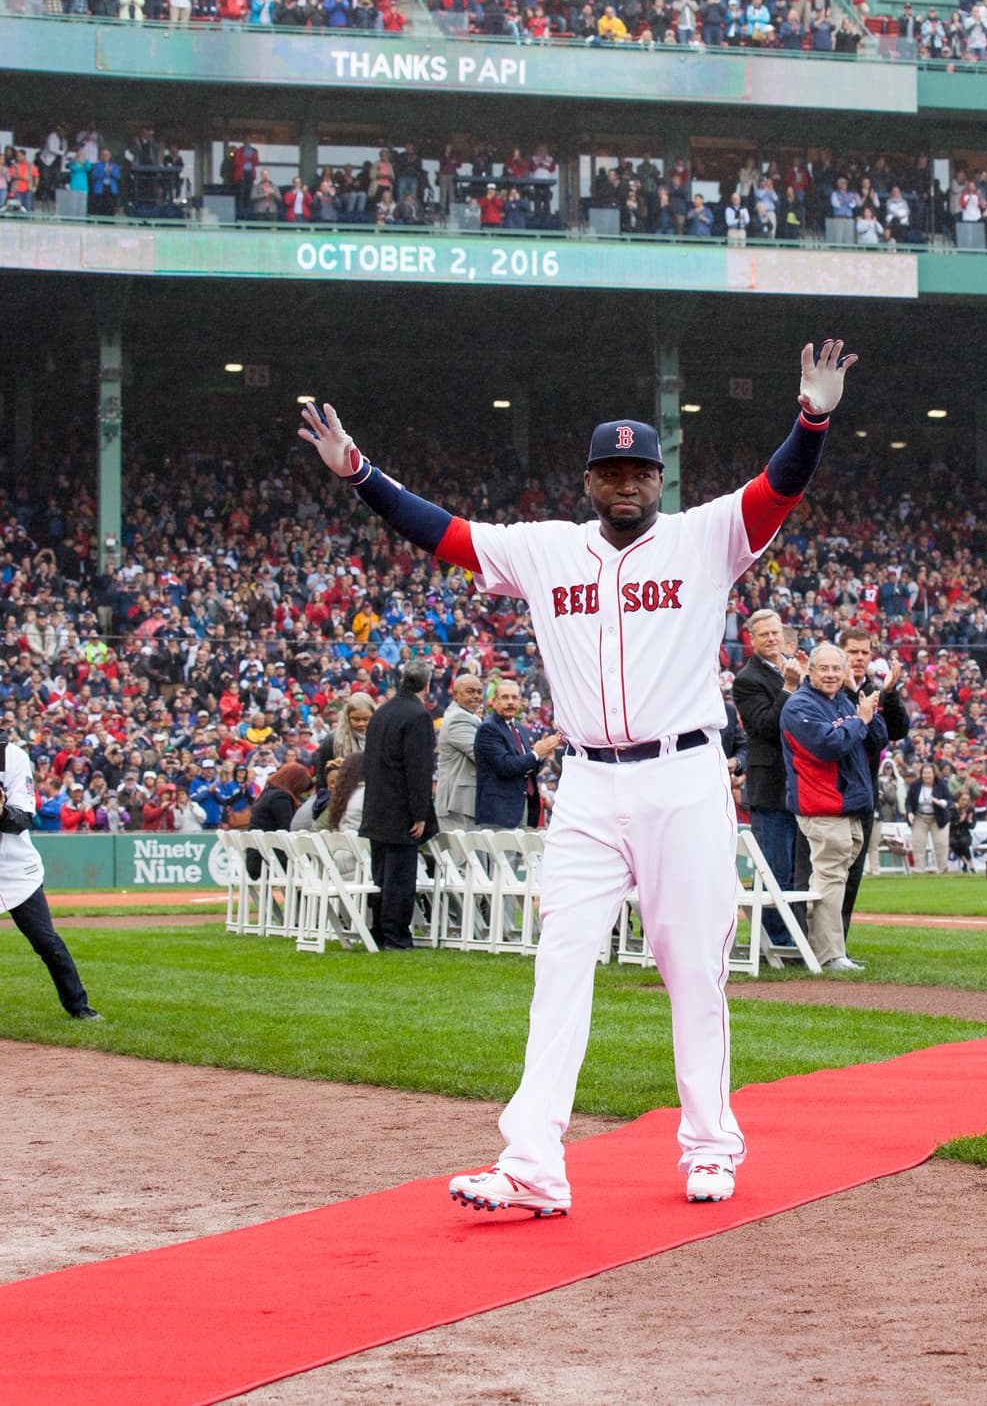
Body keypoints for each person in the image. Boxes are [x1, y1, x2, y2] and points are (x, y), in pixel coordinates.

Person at [298, 337, 856, 1215]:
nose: (626, 483)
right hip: (590, 783)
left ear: (659, 479)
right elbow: (441, 530)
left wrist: (812, 420)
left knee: (691, 967)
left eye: (640, 470)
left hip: (682, 777)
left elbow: (779, 486)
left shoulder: (707, 537)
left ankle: (710, 1145)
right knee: (559, 959)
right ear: (589, 480)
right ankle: (531, 1165)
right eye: (611, 471)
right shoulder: (545, 550)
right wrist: (358, 472)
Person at [779, 643, 886, 973]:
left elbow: (877, 739)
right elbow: (828, 746)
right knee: (829, 878)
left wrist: (859, 697)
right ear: (809, 671)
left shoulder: (843, 698)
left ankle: (831, 948)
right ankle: (829, 954)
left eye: (836, 669)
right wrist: (859, 720)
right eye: (823, 669)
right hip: (822, 805)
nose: (830, 674)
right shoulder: (798, 707)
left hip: (849, 804)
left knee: (835, 878)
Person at [0, 736, 99, 1019]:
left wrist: (2, 810)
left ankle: (78, 1006)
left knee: (47, 943)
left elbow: (21, 820)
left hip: (17, 869)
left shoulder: (11, 756)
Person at [732, 609, 807, 947]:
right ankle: (778, 940)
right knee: (775, 868)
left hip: (800, 784)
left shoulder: (791, 668)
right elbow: (764, 726)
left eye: (775, 633)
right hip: (771, 787)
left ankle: (796, 936)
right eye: (764, 634)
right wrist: (790, 687)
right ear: (752, 640)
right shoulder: (747, 679)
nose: (771, 639)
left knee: (798, 869)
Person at [358, 663, 436, 949]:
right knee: (400, 879)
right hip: (401, 809)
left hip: (377, 805)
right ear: (426, 686)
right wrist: (419, 813)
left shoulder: (382, 712)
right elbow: (418, 768)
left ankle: (379, 929)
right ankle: (396, 936)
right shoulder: (418, 715)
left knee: (380, 875)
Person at [838, 629, 909, 933]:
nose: (858, 658)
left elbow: (898, 731)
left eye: (864, 653)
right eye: (852, 651)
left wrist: (890, 695)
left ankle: (839, 941)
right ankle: (819, 944)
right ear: (840, 651)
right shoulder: (829, 687)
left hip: (865, 793)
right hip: (832, 794)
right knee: (830, 873)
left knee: (853, 874)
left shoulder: (873, 689)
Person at [474, 677, 561, 829]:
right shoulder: (488, 729)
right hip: (499, 812)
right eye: (505, 697)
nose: (510, 702)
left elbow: (527, 768)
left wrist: (542, 753)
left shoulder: (521, 730)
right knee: (500, 853)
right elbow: (506, 766)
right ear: (494, 701)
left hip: (523, 807)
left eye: (514, 697)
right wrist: (536, 754)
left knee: (521, 853)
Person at [435, 670, 484, 829]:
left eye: (479, 692)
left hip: (462, 803)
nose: (476, 696)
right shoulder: (459, 718)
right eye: (470, 691)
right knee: (466, 853)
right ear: (456, 694)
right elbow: (482, 756)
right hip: (457, 804)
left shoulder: (467, 716)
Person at [246, 763, 312, 878]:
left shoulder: (268, 793)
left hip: (259, 858)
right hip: (269, 860)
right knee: (312, 863)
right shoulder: (280, 798)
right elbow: (289, 830)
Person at [906, 762, 951, 872]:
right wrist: (910, 812)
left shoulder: (941, 784)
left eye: (929, 773)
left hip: (938, 817)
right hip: (920, 817)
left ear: (934, 773)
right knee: (918, 843)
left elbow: (950, 801)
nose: (927, 776)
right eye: (924, 773)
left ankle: (943, 869)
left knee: (941, 844)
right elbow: (909, 802)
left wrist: (939, 802)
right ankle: (919, 869)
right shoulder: (916, 785)